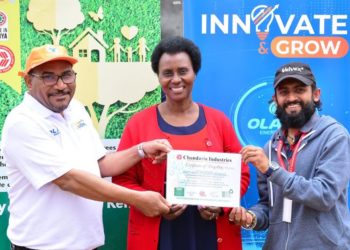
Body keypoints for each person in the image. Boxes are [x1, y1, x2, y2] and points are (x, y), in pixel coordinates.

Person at [1, 44, 172, 250]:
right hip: (42, 246)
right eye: (48, 77)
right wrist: (137, 199)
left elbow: (101, 165)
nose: (61, 85)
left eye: (67, 75)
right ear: (29, 81)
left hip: (85, 245)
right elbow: (68, 179)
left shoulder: (76, 109)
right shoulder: (23, 122)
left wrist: (142, 150)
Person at [112, 36, 250, 250]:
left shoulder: (219, 121)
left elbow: (240, 174)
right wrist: (148, 202)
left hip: (211, 234)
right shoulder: (138, 124)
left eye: (183, 71)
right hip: (158, 234)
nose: (175, 79)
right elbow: (122, 179)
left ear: (195, 72)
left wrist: (220, 206)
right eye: (167, 73)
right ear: (158, 77)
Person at [230, 62, 350, 249]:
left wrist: (271, 169)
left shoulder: (334, 136)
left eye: (300, 90)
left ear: (316, 94)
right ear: (275, 99)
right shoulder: (270, 147)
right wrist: (251, 218)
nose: (291, 98)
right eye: (284, 92)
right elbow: (269, 207)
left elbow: (324, 195)